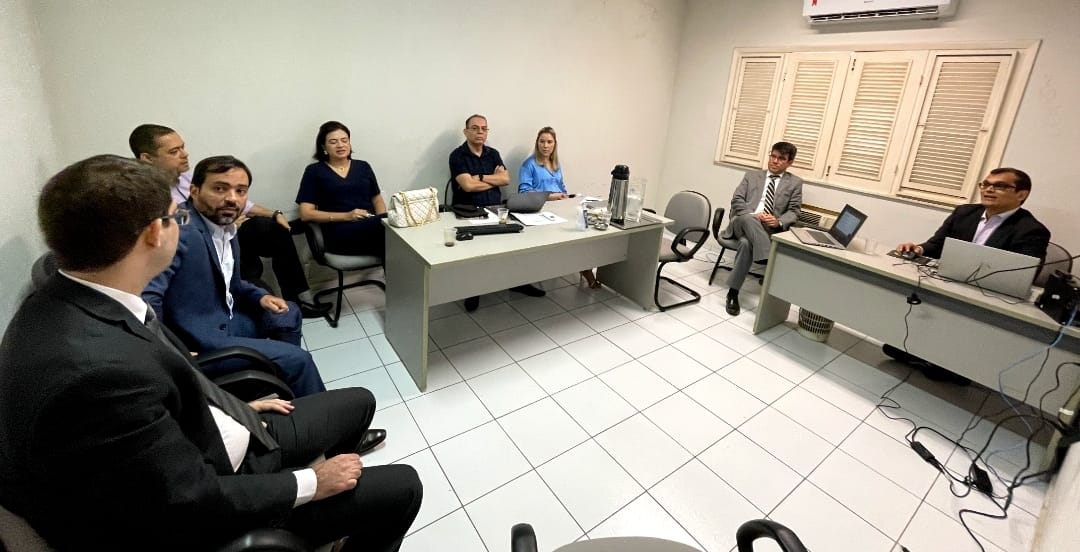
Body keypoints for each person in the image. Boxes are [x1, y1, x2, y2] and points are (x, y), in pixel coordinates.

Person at [0, 155, 420, 551]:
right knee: (404, 485)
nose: (182, 222)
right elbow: (188, 499)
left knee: (360, 399)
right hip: (220, 494)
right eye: (175, 216)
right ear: (155, 233)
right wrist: (311, 482)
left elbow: (162, 408)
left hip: (216, 432)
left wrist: (231, 406)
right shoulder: (99, 375)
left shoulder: (69, 302)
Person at [144, 155, 326, 397]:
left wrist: (260, 297)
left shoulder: (225, 226)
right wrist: (171, 351)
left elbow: (233, 283)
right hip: (199, 339)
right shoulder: (180, 231)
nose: (232, 198)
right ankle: (293, 385)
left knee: (289, 313)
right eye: (220, 188)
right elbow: (147, 300)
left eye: (241, 191)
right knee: (299, 360)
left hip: (227, 317)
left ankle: (278, 379)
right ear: (195, 191)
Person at [129, 124, 330, 318]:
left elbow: (242, 204)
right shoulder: (144, 196)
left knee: (273, 229)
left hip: (225, 234)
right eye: (174, 151)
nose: (185, 154)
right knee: (260, 294)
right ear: (147, 158)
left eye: (183, 147)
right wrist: (226, 225)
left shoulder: (187, 177)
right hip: (197, 252)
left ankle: (299, 298)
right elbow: (175, 239)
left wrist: (274, 213)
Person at [886, 167, 1051, 383]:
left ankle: (954, 366)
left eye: (1000, 186)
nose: (989, 189)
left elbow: (1022, 275)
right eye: (985, 184)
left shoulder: (1031, 230)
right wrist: (918, 249)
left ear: (1022, 194)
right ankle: (920, 351)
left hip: (990, 294)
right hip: (950, 281)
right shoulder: (964, 213)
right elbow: (937, 244)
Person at [720, 142, 803, 316]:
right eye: (773, 156)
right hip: (742, 221)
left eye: (781, 158)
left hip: (767, 230)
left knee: (746, 244)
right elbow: (737, 200)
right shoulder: (752, 176)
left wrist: (778, 222)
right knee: (749, 219)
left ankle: (733, 293)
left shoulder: (795, 183)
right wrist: (753, 215)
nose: (775, 161)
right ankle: (767, 258)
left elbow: (794, 211)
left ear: (790, 162)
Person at [519, 126, 599, 288]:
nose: (545, 146)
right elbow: (524, 192)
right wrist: (551, 196)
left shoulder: (555, 164)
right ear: (537, 143)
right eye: (542, 141)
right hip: (540, 211)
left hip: (560, 208)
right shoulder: (529, 164)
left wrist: (567, 197)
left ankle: (586, 268)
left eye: (549, 142)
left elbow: (561, 187)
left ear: (554, 144)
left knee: (581, 230)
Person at [296, 121, 387, 259]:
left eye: (344, 140)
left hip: (371, 227)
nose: (340, 145)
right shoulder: (314, 171)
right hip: (338, 232)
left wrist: (382, 221)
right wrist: (347, 216)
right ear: (323, 147)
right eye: (333, 142)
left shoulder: (363, 166)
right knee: (392, 242)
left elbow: (377, 199)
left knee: (392, 241)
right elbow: (305, 214)